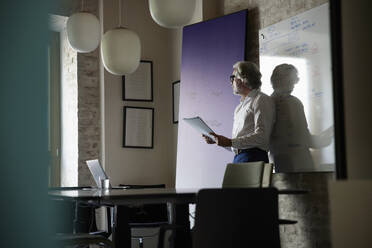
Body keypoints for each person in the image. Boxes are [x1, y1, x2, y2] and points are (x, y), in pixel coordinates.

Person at [202, 61, 275, 163]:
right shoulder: (239, 107)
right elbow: (238, 145)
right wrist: (218, 141)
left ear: (243, 79)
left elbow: (262, 137)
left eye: (232, 78)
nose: (230, 82)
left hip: (254, 158)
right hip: (239, 158)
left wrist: (230, 142)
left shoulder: (261, 99)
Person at [269, 64, 333, 172]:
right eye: (293, 78)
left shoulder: (269, 102)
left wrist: (324, 138)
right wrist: (323, 139)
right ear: (284, 79)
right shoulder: (293, 103)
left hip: (286, 163)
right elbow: (303, 139)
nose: (295, 82)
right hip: (295, 164)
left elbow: (302, 137)